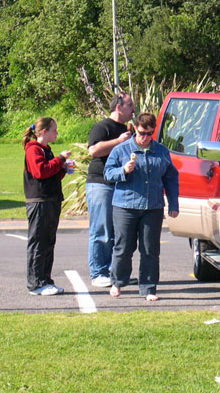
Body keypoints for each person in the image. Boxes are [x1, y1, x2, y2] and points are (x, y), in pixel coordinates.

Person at [104, 113, 179, 301]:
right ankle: (118, 281)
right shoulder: (121, 150)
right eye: (141, 133)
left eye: (149, 134)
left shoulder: (161, 151)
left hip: (152, 206)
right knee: (123, 247)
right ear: (134, 129)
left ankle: (148, 287)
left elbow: (171, 178)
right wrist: (123, 170)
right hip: (125, 205)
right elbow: (107, 173)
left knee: (150, 249)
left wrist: (173, 203)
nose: (145, 138)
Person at [86, 93, 135, 288]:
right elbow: (94, 150)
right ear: (118, 107)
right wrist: (118, 141)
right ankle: (98, 272)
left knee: (120, 231)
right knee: (102, 229)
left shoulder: (127, 130)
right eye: (130, 104)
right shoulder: (103, 127)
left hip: (120, 184)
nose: (133, 108)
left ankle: (117, 274)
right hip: (101, 184)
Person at [23, 117, 72, 296]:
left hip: (51, 200)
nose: (56, 133)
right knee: (38, 242)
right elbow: (39, 171)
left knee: (48, 242)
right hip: (39, 201)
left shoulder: (46, 150)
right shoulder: (34, 149)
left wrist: (62, 169)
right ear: (44, 132)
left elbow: (49, 174)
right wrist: (59, 159)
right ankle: (35, 283)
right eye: (54, 130)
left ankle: (45, 279)